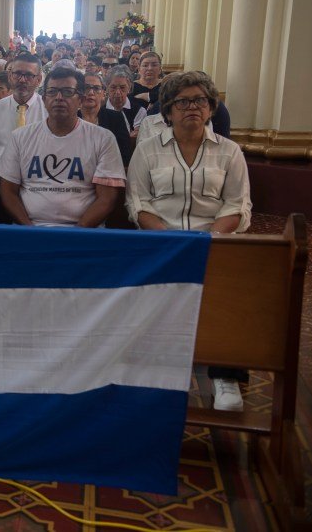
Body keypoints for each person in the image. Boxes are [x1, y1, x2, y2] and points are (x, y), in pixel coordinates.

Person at [126, 70, 252, 412]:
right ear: (168, 111)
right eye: (182, 102)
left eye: (200, 100)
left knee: (230, 293)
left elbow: (238, 206)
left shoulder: (229, 152)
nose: (191, 107)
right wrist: (168, 240)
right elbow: (138, 203)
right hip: (160, 245)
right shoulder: (148, 150)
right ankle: (155, 372)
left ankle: (225, 376)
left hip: (215, 244)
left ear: (211, 108)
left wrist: (208, 238)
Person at [0, 66, 125, 227]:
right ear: (44, 99)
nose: (59, 98)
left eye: (67, 92)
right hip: (30, 230)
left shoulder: (103, 138)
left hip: (83, 232)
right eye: (52, 92)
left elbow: (107, 199)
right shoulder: (20, 137)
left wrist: (74, 234)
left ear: (80, 99)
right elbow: (8, 192)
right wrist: (30, 231)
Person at [0, 52, 46, 163]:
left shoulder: (47, 109)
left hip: (37, 173)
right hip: (1, 171)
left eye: (28, 75)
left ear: (39, 80)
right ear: (10, 76)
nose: (22, 80)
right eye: (17, 74)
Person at [78, 69, 133, 167]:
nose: (91, 92)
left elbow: (125, 156)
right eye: (86, 87)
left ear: (103, 94)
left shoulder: (116, 118)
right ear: (78, 91)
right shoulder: (71, 117)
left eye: (96, 88)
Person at [104, 65, 148, 141]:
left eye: (122, 87)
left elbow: (138, 138)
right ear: (107, 87)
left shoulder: (139, 111)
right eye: (113, 87)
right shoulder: (100, 109)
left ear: (129, 87)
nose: (118, 92)